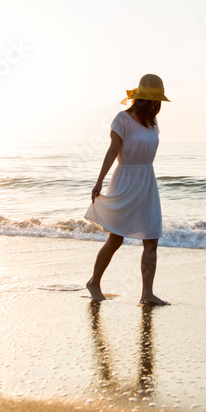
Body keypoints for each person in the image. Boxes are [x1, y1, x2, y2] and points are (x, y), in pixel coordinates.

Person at [84, 74, 170, 305]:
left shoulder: (153, 121)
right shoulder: (122, 119)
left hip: (147, 181)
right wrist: (99, 180)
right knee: (116, 238)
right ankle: (94, 282)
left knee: (151, 239)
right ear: (141, 98)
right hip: (126, 179)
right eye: (151, 99)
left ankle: (147, 294)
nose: (155, 103)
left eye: (157, 100)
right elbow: (112, 151)